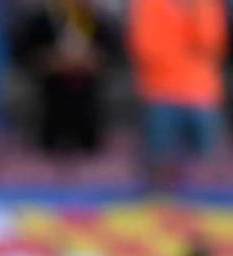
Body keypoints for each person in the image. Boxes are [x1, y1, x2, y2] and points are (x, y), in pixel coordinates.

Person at [128, 0, 227, 180]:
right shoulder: (148, 5)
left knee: (207, 166)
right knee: (158, 163)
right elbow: (145, 49)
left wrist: (196, 10)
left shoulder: (206, 5)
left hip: (201, 92)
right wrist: (186, 57)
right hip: (160, 90)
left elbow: (211, 44)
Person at [11, 0, 121, 153]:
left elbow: (112, 55)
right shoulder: (41, 21)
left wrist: (93, 59)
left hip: (88, 96)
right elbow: (22, 53)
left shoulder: (98, 22)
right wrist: (51, 60)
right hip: (50, 94)